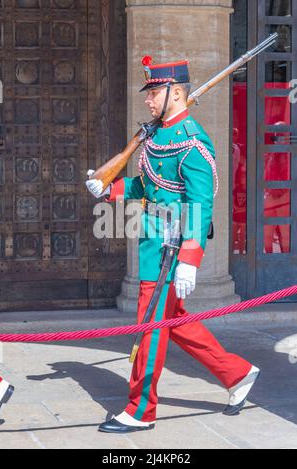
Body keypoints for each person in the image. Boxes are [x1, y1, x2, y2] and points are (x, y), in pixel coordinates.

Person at [86, 57, 260, 433]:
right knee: (177, 324)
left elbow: (201, 205)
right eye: (148, 93)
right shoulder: (155, 136)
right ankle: (238, 374)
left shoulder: (193, 143)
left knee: (149, 329)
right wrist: (110, 188)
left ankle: (140, 410)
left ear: (176, 93)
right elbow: (145, 187)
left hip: (169, 253)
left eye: (154, 92)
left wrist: (189, 260)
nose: (147, 100)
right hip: (152, 244)